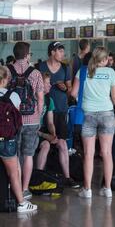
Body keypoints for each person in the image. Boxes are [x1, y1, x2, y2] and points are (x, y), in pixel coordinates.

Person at [71, 47, 115, 199]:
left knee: (88, 154)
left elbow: (73, 93)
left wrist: (83, 101)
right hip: (107, 114)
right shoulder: (111, 72)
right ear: (103, 60)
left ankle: (87, 189)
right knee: (107, 153)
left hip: (87, 114)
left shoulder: (82, 71)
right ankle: (107, 189)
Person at [8, 42, 44, 201]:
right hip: (31, 119)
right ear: (27, 54)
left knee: (14, 155)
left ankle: (13, 188)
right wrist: (39, 117)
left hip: (12, 120)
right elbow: (41, 98)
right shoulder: (35, 73)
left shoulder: (7, 72)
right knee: (28, 155)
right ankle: (24, 189)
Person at [0, 66, 37, 213]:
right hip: (7, 140)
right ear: (5, 80)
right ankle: (21, 203)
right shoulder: (12, 96)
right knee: (14, 172)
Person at [36, 73, 79, 188]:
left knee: (62, 143)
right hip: (33, 133)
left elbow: (50, 123)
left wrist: (53, 135)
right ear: (39, 84)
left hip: (43, 132)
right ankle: (38, 179)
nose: (50, 85)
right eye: (47, 83)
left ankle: (67, 177)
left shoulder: (49, 100)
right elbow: (30, 128)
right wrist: (46, 136)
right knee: (45, 145)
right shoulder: (33, 100)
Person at [39, 41, 72, 140]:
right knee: (44, 142)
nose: (63, 54)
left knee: (61, 140)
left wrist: (65, 88)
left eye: (63, 52)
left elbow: (70, 89)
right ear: (53, 52)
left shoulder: (65, 68)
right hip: (43, 110)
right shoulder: (39, 67)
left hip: (61, 109)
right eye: (60, 51)